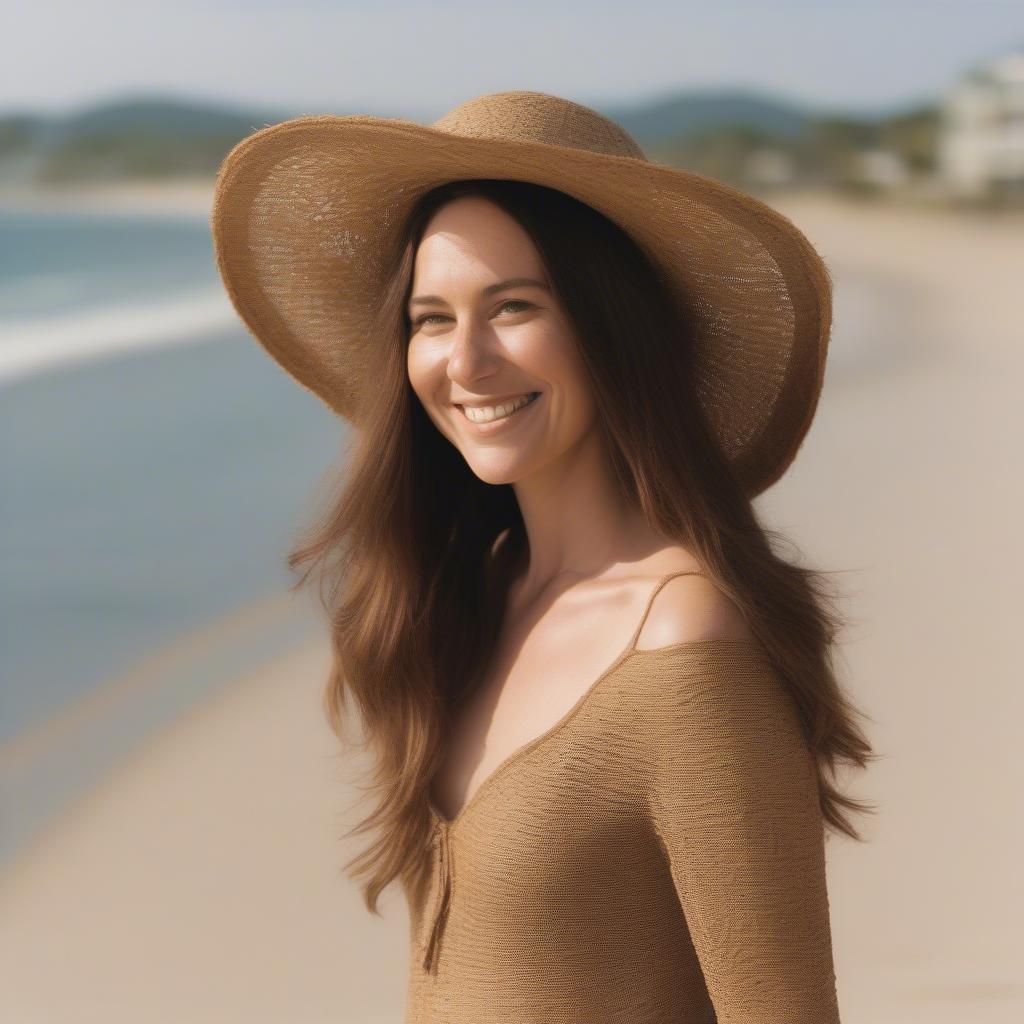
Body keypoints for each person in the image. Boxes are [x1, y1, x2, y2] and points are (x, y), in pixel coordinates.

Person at [211, 90, 875, 1023]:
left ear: (614, 330)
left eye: (513, 307)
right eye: (430, 318)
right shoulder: (473, 598)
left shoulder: (687, 648)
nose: (466, 362)